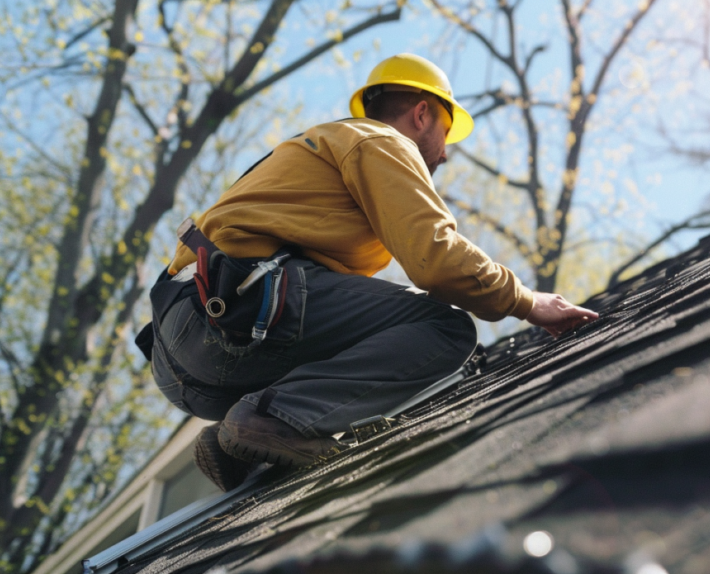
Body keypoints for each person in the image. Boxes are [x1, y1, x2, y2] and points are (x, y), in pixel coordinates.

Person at [143, 53, 598, 491]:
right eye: (445, 132)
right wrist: (528, 301)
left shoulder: (319, 152)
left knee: (370, 334)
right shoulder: (381, 141)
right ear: (421, 114)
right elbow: (434, 258)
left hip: (184, 357)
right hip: (232, 315)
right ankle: (269, 418)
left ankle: (242, 446)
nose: (443, 155)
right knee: (443, 327)